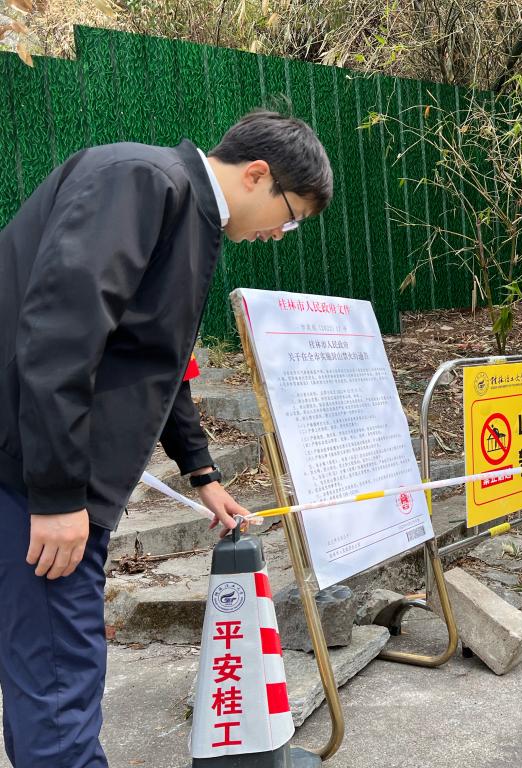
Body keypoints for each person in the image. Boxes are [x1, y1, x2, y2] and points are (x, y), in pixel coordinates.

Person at [0, 110, 333, 767]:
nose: (279, 234)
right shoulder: (142, 183)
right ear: (257, 174)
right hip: (32, 476)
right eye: (291, 216)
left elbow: (158, 362)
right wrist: (58, 496)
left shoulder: (183, 211)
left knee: (48, 667)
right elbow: (60, 337)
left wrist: (202, 473)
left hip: (44, 471)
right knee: (59, 676)